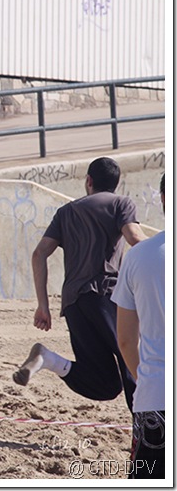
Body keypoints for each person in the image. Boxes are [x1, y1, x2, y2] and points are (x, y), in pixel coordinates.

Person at [13, 157, 148, 412]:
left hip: (74, 304)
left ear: (89, 181)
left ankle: (49, 359)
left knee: (105, 385)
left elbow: (39, 254)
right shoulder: (121, 203)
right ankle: (144, 436)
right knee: (134, 365)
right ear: (116, 184)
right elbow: (135, 237)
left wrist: (43, 305)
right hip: (107, 296)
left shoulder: (66, 212)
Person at [111, 173, 165, 479]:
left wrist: (144, 378)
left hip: (155, 396)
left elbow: (126, 341)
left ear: (162, 199)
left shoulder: (139, 257)